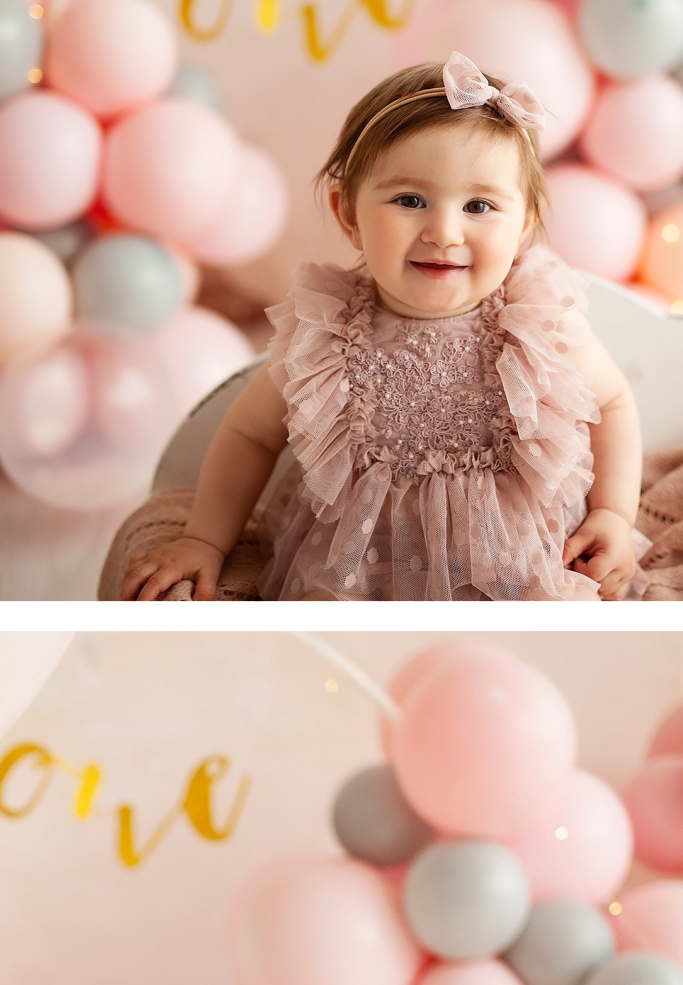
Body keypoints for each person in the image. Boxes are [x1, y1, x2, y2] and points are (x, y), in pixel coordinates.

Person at [123, 53, 643, 605]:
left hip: (522, 571)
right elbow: (251, 435)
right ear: (347, 214)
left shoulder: (537, 326)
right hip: (361, 580)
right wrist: (204, 539)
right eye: (410, 200)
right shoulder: (325, 337)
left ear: (524, 227)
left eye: (479, 205)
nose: (444, 231)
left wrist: (613, 512)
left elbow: (612, 403)